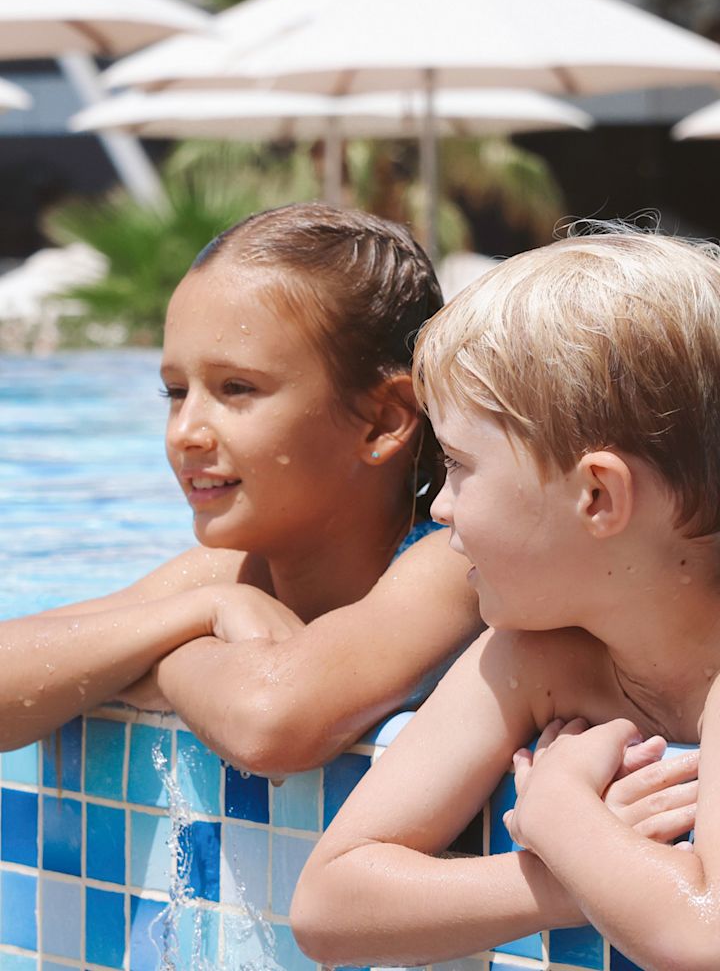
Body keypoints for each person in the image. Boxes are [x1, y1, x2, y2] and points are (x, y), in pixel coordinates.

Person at [290, 224, 716, 971]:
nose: (441, 507)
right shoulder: (530, 656)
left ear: (596, 496)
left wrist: (555, 811)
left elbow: (703, 937)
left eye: (458, 465)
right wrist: (561, 880)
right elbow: (328, 908)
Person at [0, 203, 484, 772]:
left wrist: (163, 657)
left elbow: (270, 725)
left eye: (236, 388)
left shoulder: (458, 565)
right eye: (176, 392)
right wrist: (208, 608)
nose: (185, 433)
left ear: (383, 421)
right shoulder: (229, 576)